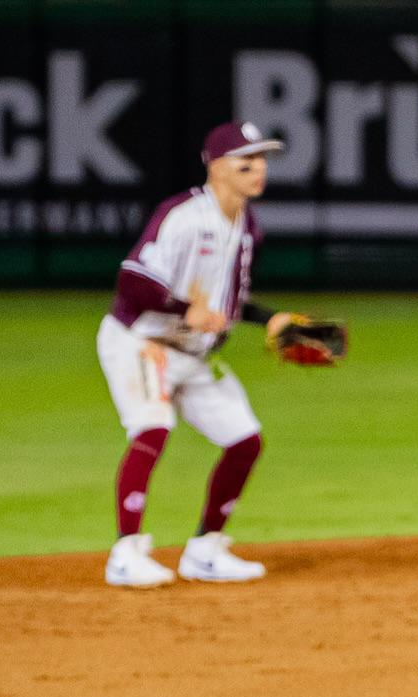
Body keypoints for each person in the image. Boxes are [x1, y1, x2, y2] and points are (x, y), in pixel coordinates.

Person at [98, 121, 299, 587]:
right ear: (218, 167)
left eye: (263, 159)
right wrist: (183, 307)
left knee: (244, 439)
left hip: (191, 353)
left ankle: (206, 550)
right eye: (247, 160)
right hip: (140, 343)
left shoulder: (248, 229)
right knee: (154, 425)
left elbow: (224, 304)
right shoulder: (183, 215)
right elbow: (131, 280)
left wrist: (268, 317)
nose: (259, 169)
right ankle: (125, 553)